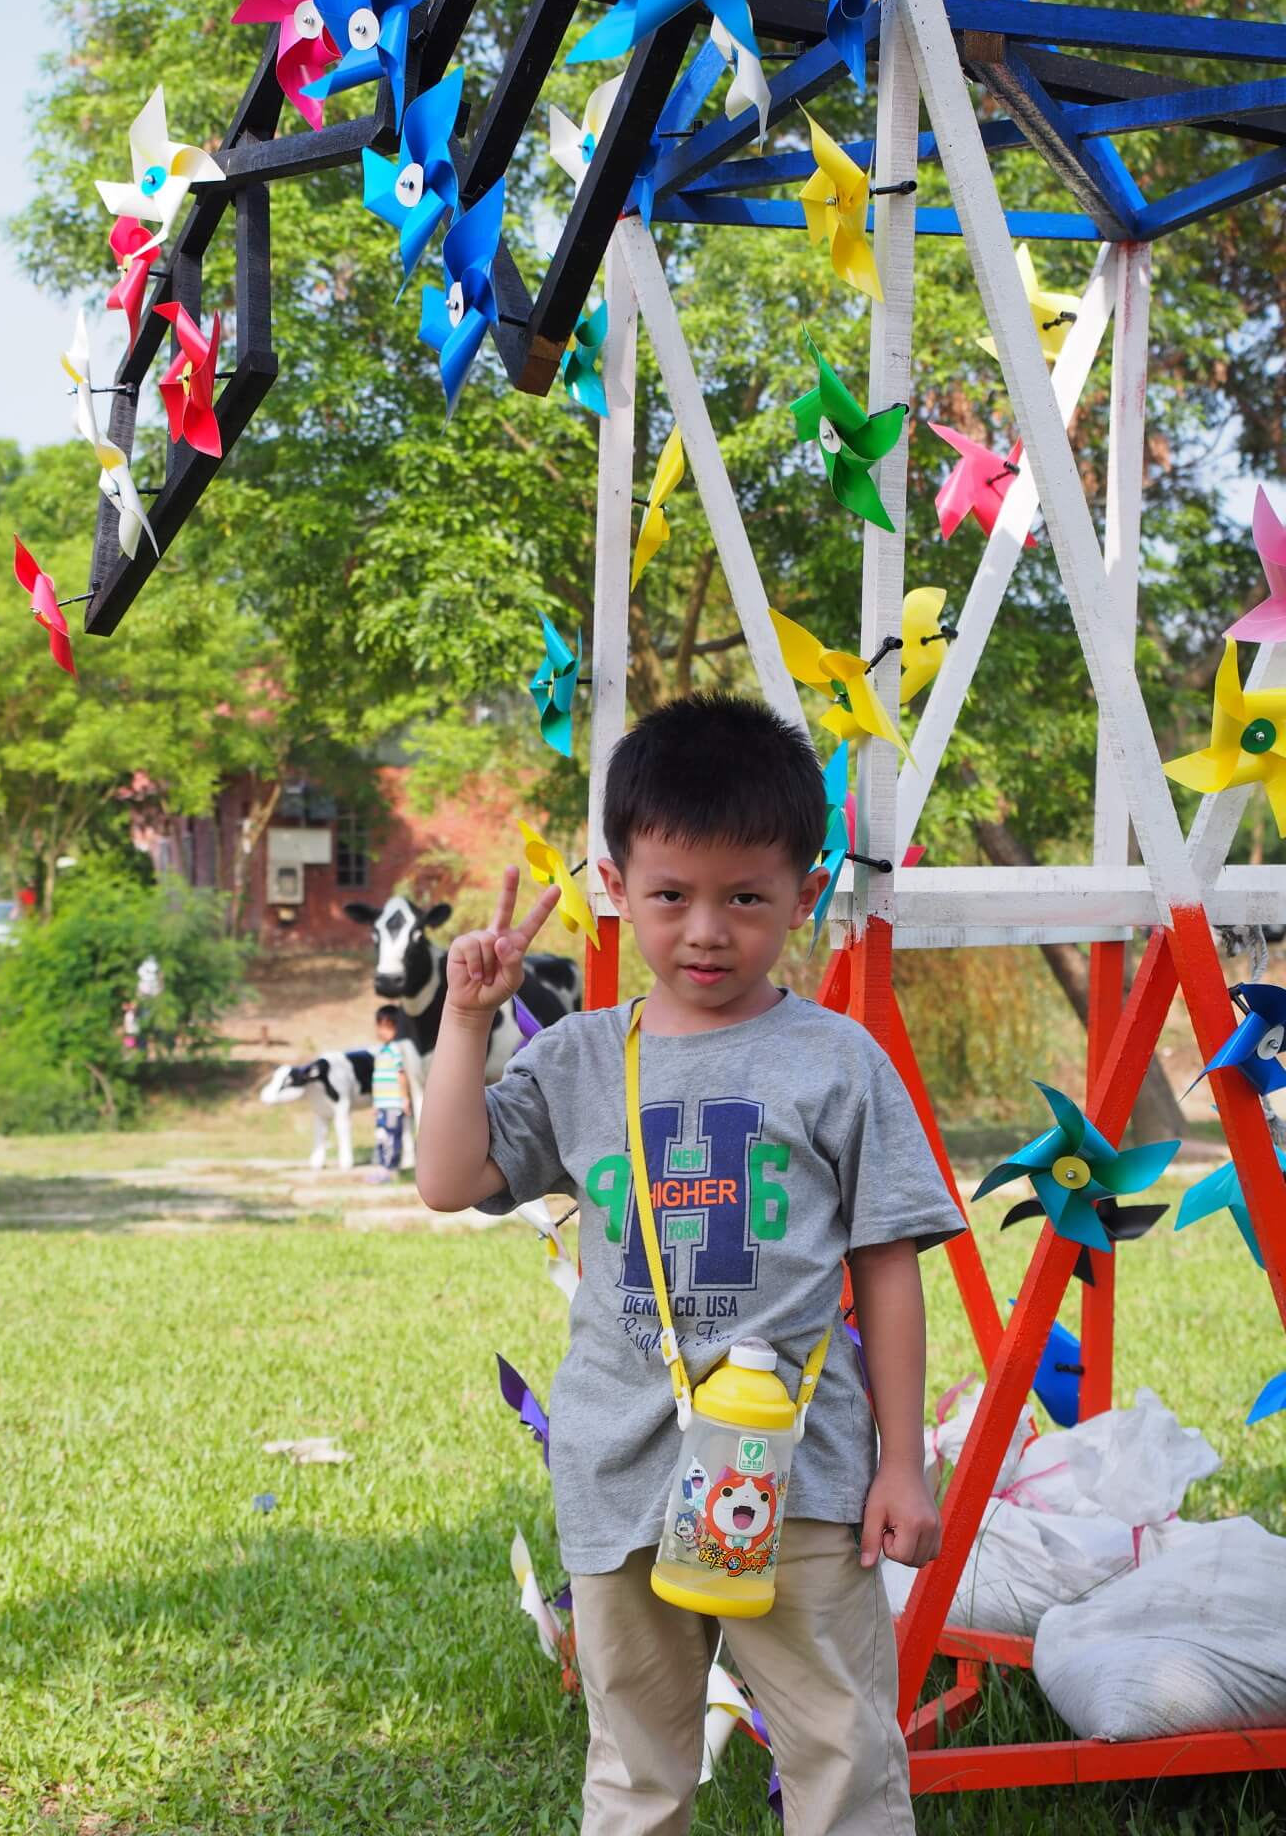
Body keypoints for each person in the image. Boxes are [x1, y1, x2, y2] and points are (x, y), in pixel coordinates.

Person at [417, 693, 964, 1836]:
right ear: (617, 885)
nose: (706, 931)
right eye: (671, 896)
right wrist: (464, 1023)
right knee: (635, 1769)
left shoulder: (836, 1061)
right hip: (621, 1477)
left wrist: (901, 1465)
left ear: (804, 896)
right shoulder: (576, 1061)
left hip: (801, 1478)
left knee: (845, 1754)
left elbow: (890, 1268)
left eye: (745, 898)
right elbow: (449, 1177)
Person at [371, 1004, 413, 1173]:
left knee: (391, 1136)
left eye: (386, 1027)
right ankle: (383, 1166)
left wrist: (404, 1098)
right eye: (379, 1026)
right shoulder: (381, 1050)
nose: (381, 1031)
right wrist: (375, 1103)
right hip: (382, 1104)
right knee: (381, 1135)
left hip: (394, 1103)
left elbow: (401, 1074)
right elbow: (377, 1080)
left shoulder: (396, 1049)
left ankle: (390, 1168)